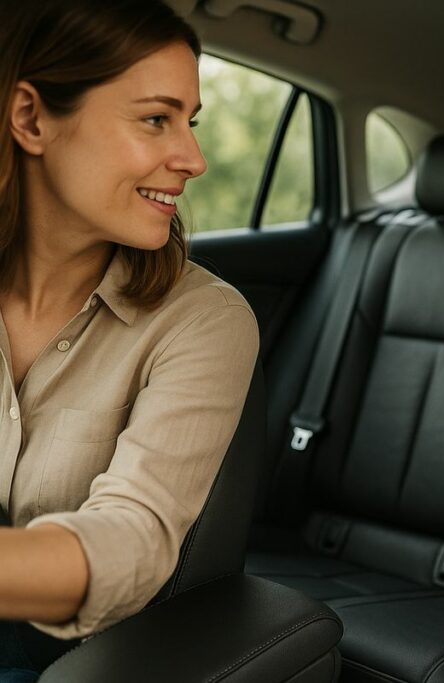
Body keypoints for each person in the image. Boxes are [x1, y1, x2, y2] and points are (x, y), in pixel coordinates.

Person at [0, 0, 260, 679]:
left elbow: (134, 537)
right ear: (30, 119)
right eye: (156, 119)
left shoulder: (205, 320)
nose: (195, 158)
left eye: (190, 122)